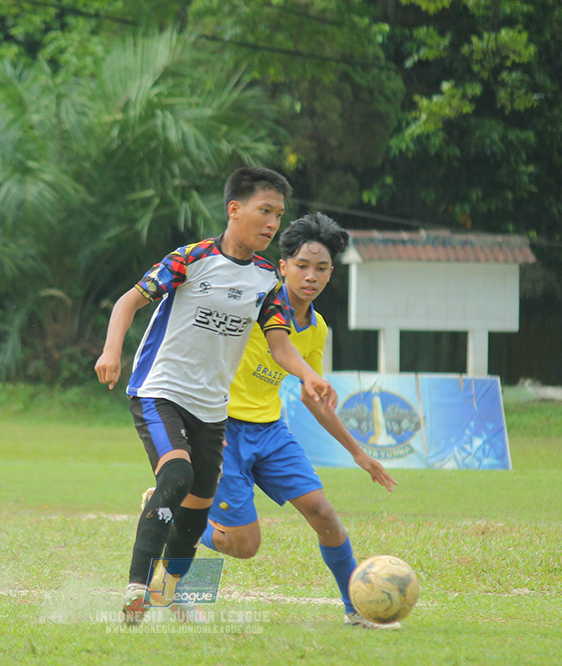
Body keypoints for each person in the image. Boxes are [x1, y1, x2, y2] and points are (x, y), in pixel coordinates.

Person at [94, 167, 337, 626]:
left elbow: (281, 345)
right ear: (234, 209)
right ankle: (136, 590)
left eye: (279, 215)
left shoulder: (267, 280)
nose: (273, 224)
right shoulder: (192, 258)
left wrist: (309, 376)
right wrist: (111, 351)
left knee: (195, 516)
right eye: (265, 211)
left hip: (211, 410)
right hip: (161, 390)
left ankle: (168, 595)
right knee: (177, 475)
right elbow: (129, 300)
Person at [196, 211, 401, 629]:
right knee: (244, 544)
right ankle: (176, 519)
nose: (311, 276)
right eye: (302, 265)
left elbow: (313, 396)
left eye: (321, 268)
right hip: (223, 430)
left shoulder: (317, 327)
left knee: (323, 513)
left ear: (331, 274)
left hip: (270, 432)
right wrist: (201, 424)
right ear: (283, 266)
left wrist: (358, 453)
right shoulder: (253, 304)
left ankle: (357, 607)